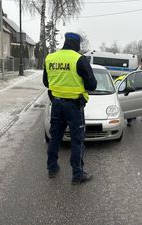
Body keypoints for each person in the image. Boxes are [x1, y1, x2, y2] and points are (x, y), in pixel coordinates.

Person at [43, 32, 97, 185]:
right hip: (74, 106)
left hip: (57, 104)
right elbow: (92, 85)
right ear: (77, 44)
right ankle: (77, 174)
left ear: (65, 42)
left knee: (55, 137)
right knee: (77, 140)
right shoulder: (79, 59)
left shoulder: (50, 58)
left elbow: (46, 82)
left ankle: (52, 168)